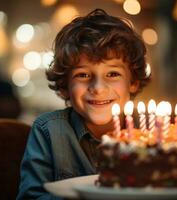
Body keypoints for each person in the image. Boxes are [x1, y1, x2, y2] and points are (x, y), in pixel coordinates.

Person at [16, 8, 149, 200]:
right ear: (64, 86)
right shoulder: (48, 131)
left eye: (112, 74)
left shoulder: (154, 135)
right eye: (83, 75)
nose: (98, 87)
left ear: (133, 82)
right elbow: (31, 197)